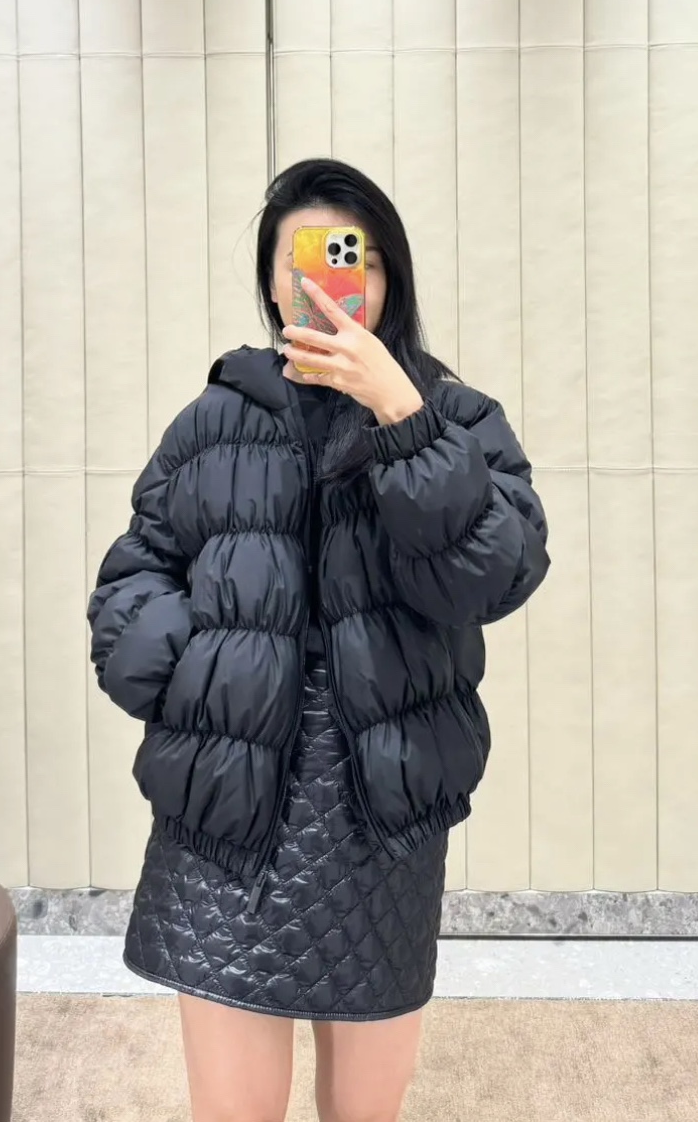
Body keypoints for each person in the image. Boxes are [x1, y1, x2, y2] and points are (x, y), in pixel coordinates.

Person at [87, 157, 550, 1122]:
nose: (341, 281)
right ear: (274, 282)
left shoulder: (453, 418)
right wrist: (195, 676)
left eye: (361, 259)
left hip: (379, 810)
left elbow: (497, 573)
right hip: (222, 811)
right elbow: (133, 576)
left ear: (392, 278)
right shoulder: (214, 421)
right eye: (314, 259)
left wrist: (401, 416)